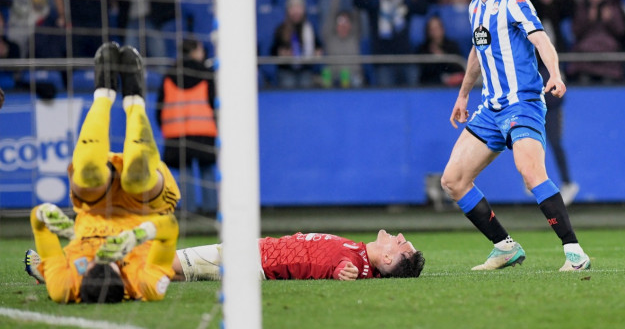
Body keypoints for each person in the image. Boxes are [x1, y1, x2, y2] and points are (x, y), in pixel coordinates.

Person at [440, 0, 590, 272]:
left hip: (522, 104)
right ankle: (504, 246)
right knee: (452, 180)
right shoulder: (475, 7)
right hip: (490, 109)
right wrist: (463, 94)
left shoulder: (514, 0)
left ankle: (574, 252)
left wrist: (555, 73)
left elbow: (540, 38)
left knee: (530, 172)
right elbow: (478, 52)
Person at [26, 41, 181, 303]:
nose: (101, 254)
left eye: (93, 262)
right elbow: (170, 228)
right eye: (110, 263)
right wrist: (137, 235)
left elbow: (38, 224)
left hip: (94, 205)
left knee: (87, 173)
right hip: (144, 210)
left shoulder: (63, 287)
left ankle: (103, 93)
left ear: (83, 278)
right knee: (137, 178)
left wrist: (46, 215)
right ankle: (134, 101)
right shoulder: (147, 286)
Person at [28, 229, 425, 283]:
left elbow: (343, 272)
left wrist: (345, 275)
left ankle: (68, 275)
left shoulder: (355, 264)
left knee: (166, 261)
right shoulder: (356, 249)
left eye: (403, 245)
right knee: (157, 257)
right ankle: (72, 267)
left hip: (250, 263)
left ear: (389, 260)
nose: (401, 236)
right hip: (251, 248)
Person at [530, 0, 579, 205]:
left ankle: (567, 182)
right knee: (530, 138)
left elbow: (567, 9)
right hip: (536, 77)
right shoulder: (532, 15)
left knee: (553, 139)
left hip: (550, 77)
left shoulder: (555, 13)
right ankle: (533, 178)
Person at [157, 39, 218, 214]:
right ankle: (211, 210)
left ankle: (188, 212)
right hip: (204, 129)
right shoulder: (207, 73)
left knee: (185, 173)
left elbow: (160, 107)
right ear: (194, 51)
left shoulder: (169, 74)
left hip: (177, 132)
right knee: (206, 170)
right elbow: (215, 102)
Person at [354, 0, 427, 86]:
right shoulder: (375, 3)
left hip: (406, 60)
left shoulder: (405, 2)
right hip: (383, 62)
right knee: (387, 100)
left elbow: (423, 8)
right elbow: (357, 2)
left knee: (414, 97)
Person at [567, 0, 625, 83]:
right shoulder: (582, 7)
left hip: (608, 58)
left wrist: (610, 20)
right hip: (586, 57)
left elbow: (621, 31)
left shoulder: (612, 6)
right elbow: (575, 32)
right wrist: (587, 20)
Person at [270, 0, 323, 88]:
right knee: (288, 83)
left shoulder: (309, 28)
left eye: (299, 8)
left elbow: (318, 46)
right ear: (288, 10)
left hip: (305, 69)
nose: (296, 11)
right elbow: (273, 50)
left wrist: (317, 51)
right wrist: (280, 53)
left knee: (306, 84)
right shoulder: (281, 29)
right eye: (293, 8)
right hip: (287, 70)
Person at [320, 0, 364, 87]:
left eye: (346, 23)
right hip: (334, 75)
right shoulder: (330, 36)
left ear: (350, 25)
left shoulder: (354, 36)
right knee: (326, 73)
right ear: (336, 25)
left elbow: (356, 13)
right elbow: (331, 15)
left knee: (353, 77)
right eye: (340, 23)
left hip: (352, 76)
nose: (343, 26)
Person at [416, 15, 465, 87]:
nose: (434, 32)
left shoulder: (452, 46)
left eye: (436, 28)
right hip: (431, 86)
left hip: (453, 87)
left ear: (442, 29)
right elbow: (423, 74)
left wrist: (442, 56)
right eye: (431, 29)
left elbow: (459, 68)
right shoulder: (423, 48)